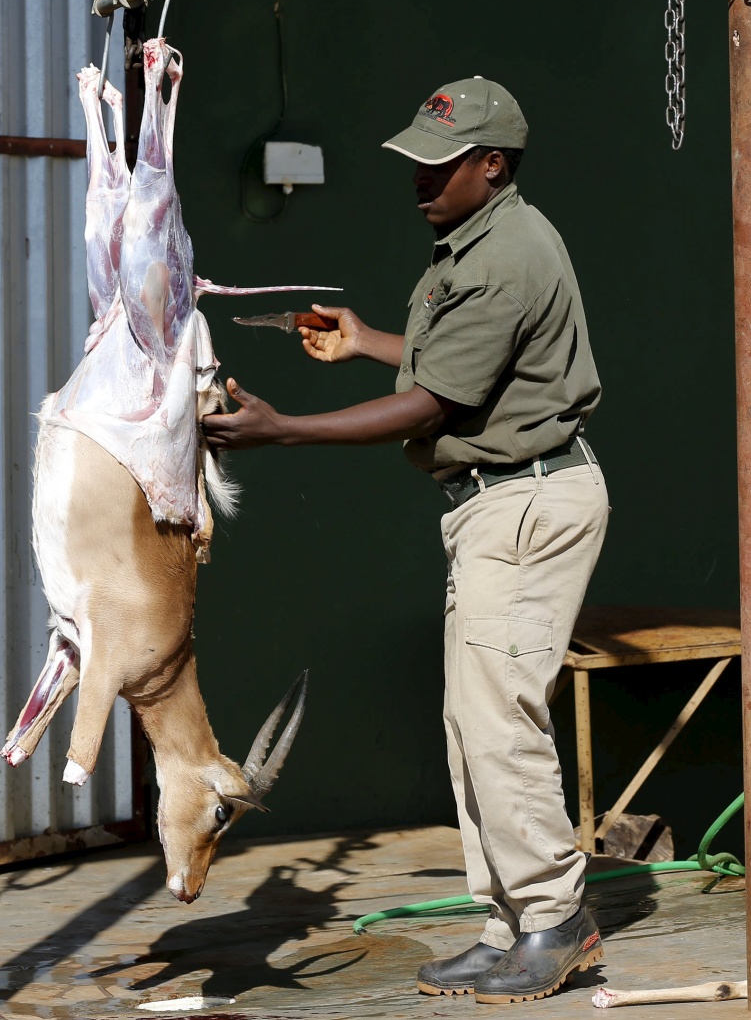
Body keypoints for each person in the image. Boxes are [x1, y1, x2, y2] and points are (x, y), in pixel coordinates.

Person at [203, 76, 609, 1005]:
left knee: (499, 720)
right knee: (472, 722)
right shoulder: (472, 243)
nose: (418, 179)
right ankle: (510, 925)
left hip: (526, 502)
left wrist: (285, 429)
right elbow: (456, 365)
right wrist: (364, 340)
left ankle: (556, 920)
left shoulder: (507, 255)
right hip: (494, 501)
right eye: (415, 161)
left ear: (492, 164)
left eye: (439, 163)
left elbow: (432, 403)